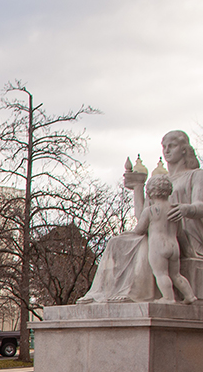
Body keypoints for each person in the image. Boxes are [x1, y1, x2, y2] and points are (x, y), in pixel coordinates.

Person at [80, 130, 203, 303]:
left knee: (144, 243)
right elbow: (143, 216)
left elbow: (200, 206)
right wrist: (138, 187)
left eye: (172, 146)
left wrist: (186, 209)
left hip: (186, 236)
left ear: (184, 149)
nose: (167, 150)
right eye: (164, 147)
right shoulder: (161, 180)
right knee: (116, 242)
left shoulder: (196, 175)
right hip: (167, 236)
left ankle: (133, 293)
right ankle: (103, 292)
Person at [134, 174, 197, 303]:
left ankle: (168, 298)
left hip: (158, 246)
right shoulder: (174, 209)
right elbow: (179, 231)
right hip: (174, 245)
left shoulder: (150, 210)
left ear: (150, 192)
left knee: (161, 274)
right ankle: (190, 296)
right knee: (175, 274)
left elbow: (140, 230)